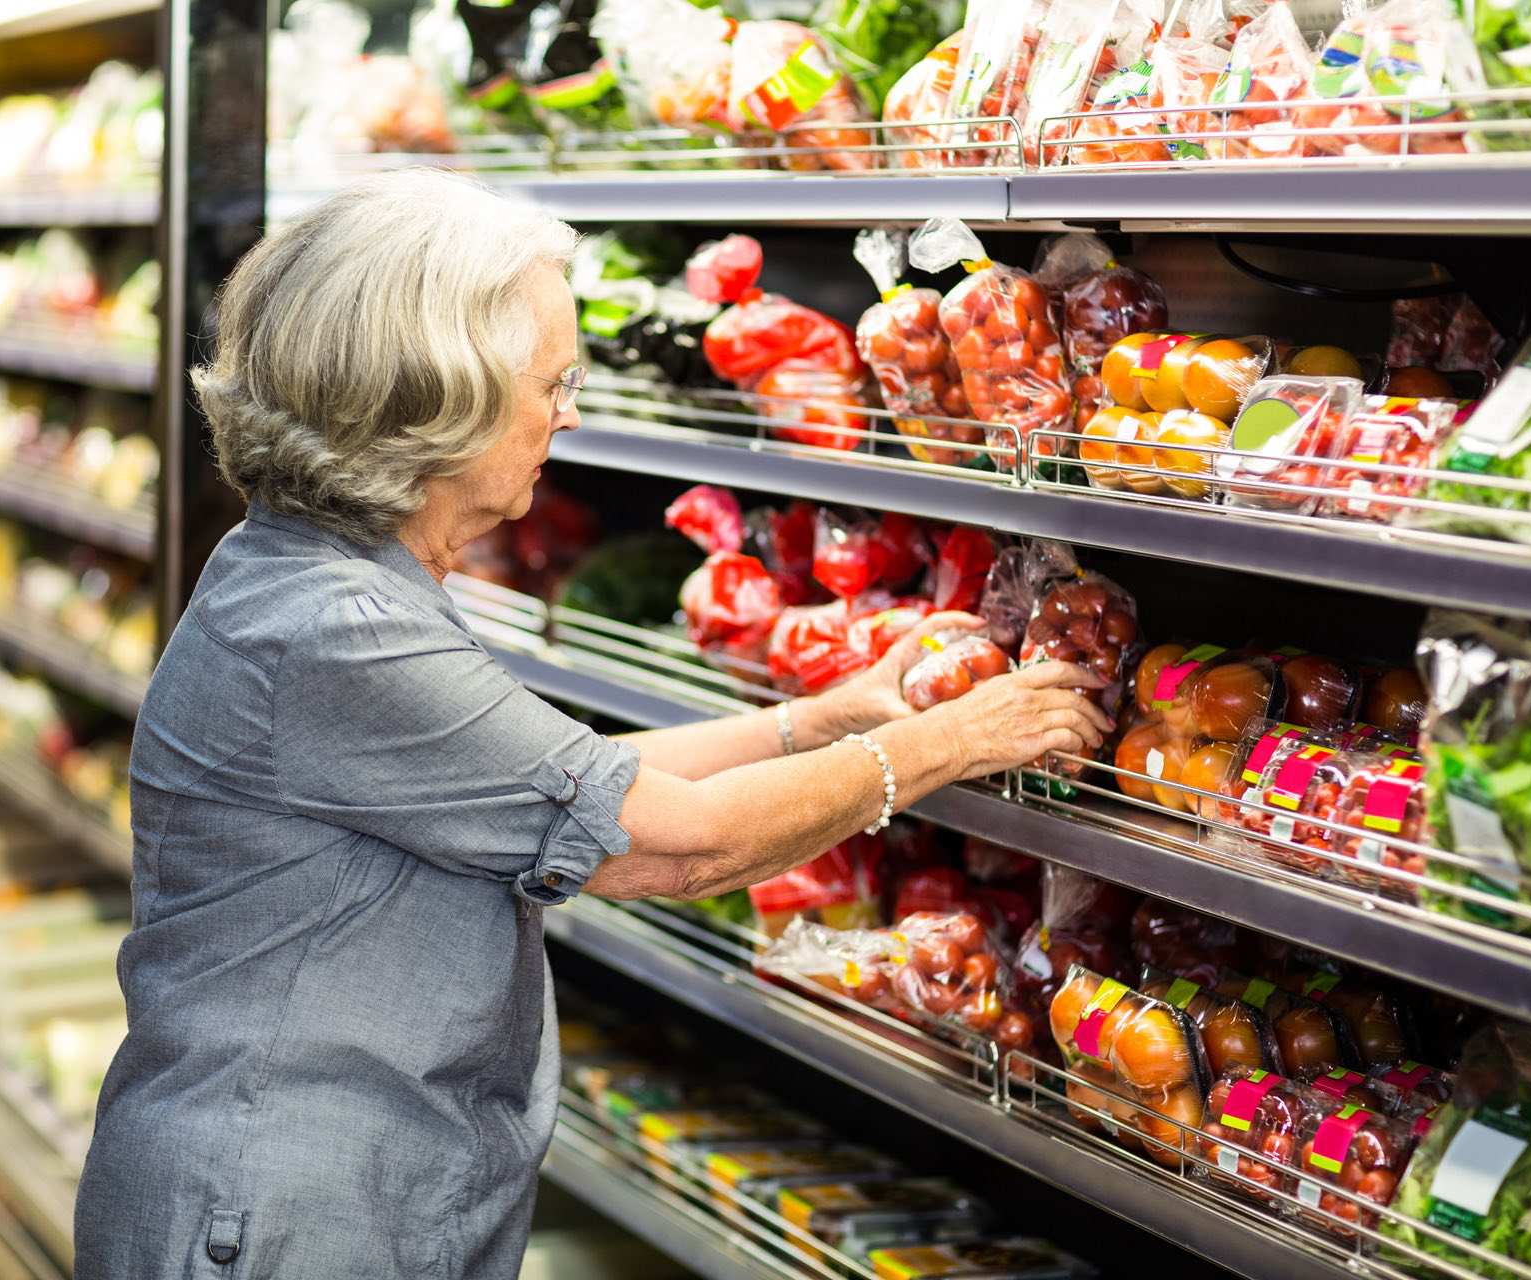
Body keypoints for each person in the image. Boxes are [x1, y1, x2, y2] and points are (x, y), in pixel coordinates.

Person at [72, 168, 1109, 1280]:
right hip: (278, 1214)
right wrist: (947, 741)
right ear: (437, 395)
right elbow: (677, 840)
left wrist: (816, 719)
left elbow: (563, 781)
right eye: (551, 382)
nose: (570, 413)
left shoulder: (323, 574)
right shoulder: (333, 627)